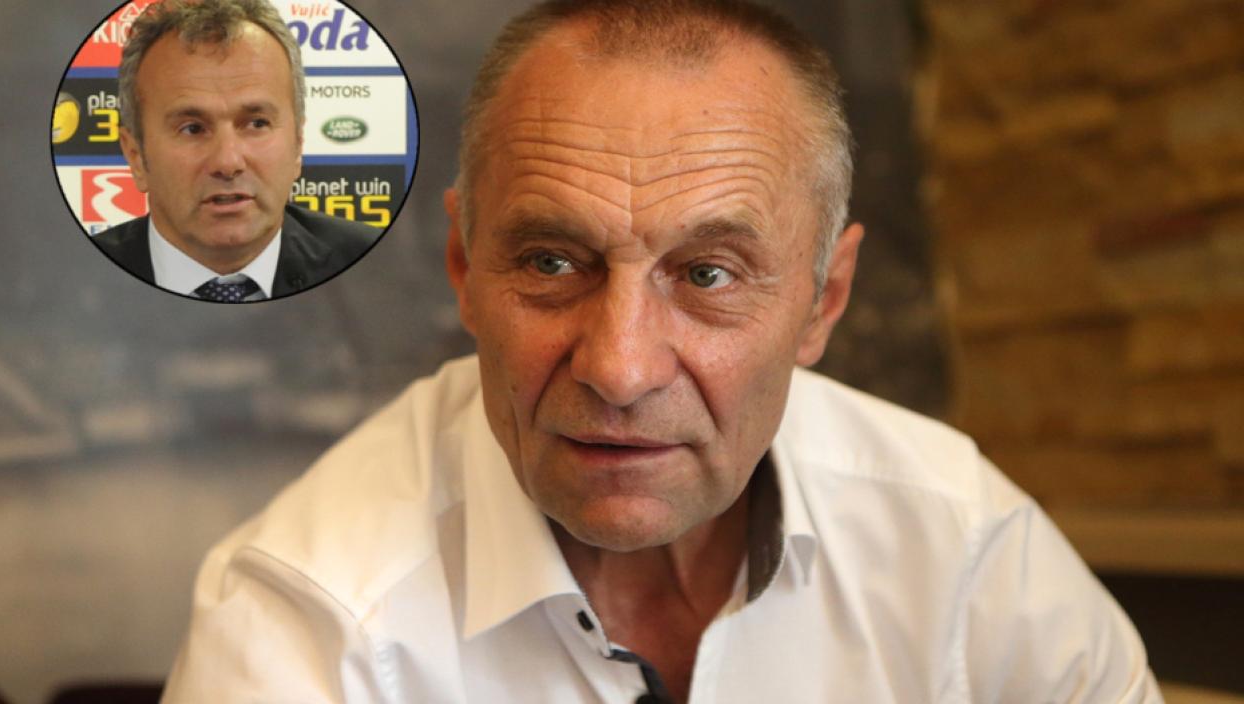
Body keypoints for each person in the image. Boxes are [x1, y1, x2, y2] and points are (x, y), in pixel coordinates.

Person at [164, 0, 1162, 701]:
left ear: (824, 300)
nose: (620, 366)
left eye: (709, 274)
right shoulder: (306, 625)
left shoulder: (963, 547)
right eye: (552, 261)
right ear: (465, 268)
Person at [94, 0, 375, 302]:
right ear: (136, 156)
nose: (228, 162)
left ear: (298, 144)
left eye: (257, 123)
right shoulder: (73, 281)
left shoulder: (376, 266)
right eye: (192, 128)